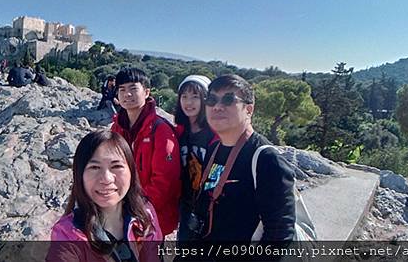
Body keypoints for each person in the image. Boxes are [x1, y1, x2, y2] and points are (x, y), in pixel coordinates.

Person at [190, 74, 296, 242]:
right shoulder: (214, 149)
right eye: (211, 100)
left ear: (249, 109)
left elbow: (279, 233)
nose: (217, 107)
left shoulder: (267, 159)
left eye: (228, 100)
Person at [48, 130, 162, 262]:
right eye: (95, 167)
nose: (107, 179)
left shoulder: (145, 215)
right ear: (80, 175)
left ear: (131, 172)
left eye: (116, 166)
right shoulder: (68, 234)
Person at [110, 68, 181, 237]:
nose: (127, 94)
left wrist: (137, 210)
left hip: (152, 217)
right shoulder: (117, 128)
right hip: (123, 212)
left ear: (146, 92)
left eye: (133, 88)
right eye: (122, 90)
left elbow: (164, 182)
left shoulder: (161, 130)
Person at [173, 75, 218, 242]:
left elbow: (218, 170)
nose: (188, 102)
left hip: (209, 206)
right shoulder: (178, 132)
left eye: (195, 97)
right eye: (184, 96)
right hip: (186, 202)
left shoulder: (215, 134)